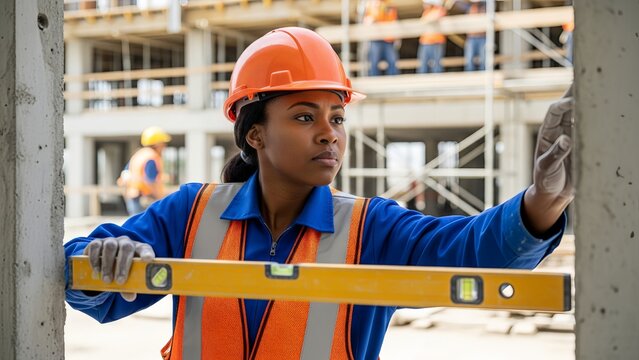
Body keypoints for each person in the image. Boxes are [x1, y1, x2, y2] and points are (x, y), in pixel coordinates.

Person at [64, 27, 574, 359]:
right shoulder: (190, 213)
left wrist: (544, 200)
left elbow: (470, 249)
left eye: (337, 117)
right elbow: (87, 287)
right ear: (255, 134)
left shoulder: (371, 229)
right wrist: (103, 256)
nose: (329, 133)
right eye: (305, 116)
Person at [117, 126, 171, 215]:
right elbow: (151, 181)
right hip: (145, 199)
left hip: (133, 197)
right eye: (163, 143)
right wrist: (161, 199)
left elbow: (125, 175)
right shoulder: (151, 157)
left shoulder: (139, 155)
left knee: (137, 226)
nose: (164, 146)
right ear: (157, 144)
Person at [363, 0, 400, 76]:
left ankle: (393, 81)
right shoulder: (370, 4)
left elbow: (394, 21)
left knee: (392, 61)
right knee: (374, 62)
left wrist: (397, 38)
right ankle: (374, 81)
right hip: (376, 38)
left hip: (388, 38)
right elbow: (367, 20)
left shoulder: (390, 4)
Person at [417, 0, 447, 74]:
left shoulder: (439, 10)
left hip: (436, 42)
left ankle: (437, 83)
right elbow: (423, 21)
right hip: (425, 42)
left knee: (436, 66)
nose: (424, 5)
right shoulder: (426, 12)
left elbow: (436, 16)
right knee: (423, 65)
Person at [464, 0, 487, 71]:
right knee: (469, 60)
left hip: (482, 37)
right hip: (471, 37)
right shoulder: (469, 7)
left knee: (483, 60)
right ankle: (469, 78)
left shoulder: (485, 8)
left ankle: (483, 77)